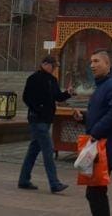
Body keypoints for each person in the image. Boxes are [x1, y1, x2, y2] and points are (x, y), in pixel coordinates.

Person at [72, 50, 112, 216]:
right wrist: (84, 116)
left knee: (95, 192)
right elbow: (102, 112)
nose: (92, 65)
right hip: (99, 144)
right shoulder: (102, 85)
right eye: (91, 62)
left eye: (96, 61)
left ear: (107, 64)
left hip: (104, 147)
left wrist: (96, 132)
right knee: (95, 191)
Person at [18, 55, 72, 193]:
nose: (54, 69)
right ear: (45, 64)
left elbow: (57, 97)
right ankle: (54, 183)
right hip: (37, 120)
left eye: (55, 67)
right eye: (53, 66)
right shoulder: (34, 78)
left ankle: (24, 180)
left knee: (33, 150)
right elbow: (26, 97)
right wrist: (38, 109)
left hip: (47, 119)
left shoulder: (52, 80)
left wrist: (68, 93)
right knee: (48, 150)